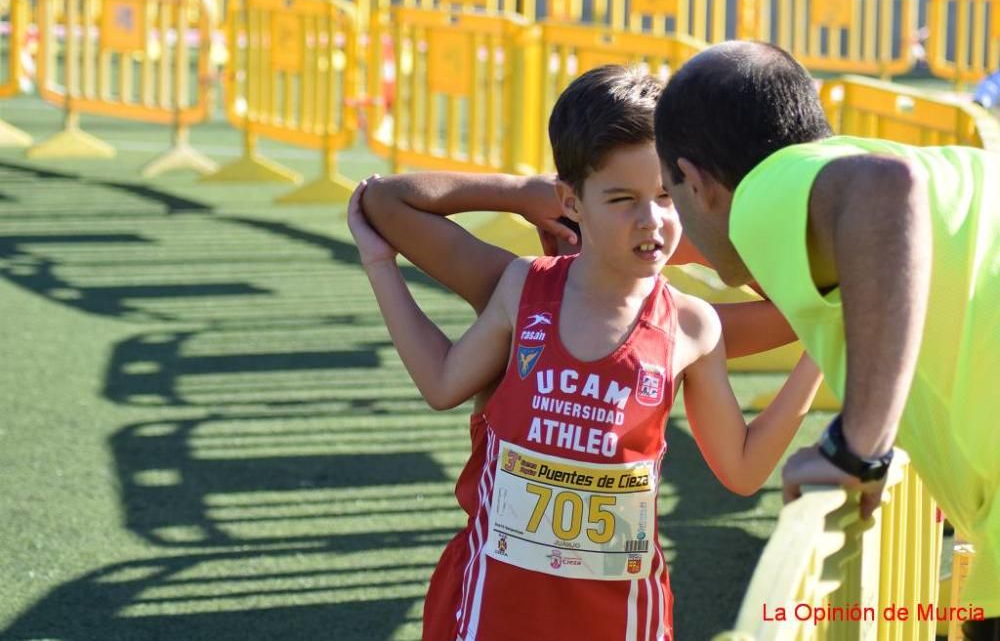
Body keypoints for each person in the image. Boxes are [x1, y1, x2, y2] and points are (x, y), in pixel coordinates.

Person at [349, 65, 823, 640]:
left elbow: (744, 469)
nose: (650, 219)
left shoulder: (692, 325)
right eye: (621, 199)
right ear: (572, 199)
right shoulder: (524, 287)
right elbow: (442, 384)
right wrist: (516, 197)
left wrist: (821, 351)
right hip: (490, 608)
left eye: (667, 197)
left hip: (620, 618)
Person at [653, 40, 999, 636]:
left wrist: (855, 448)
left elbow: (884, 189)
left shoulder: (765, 191)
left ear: (695, 180)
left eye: (668, 196)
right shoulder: (923, 174)